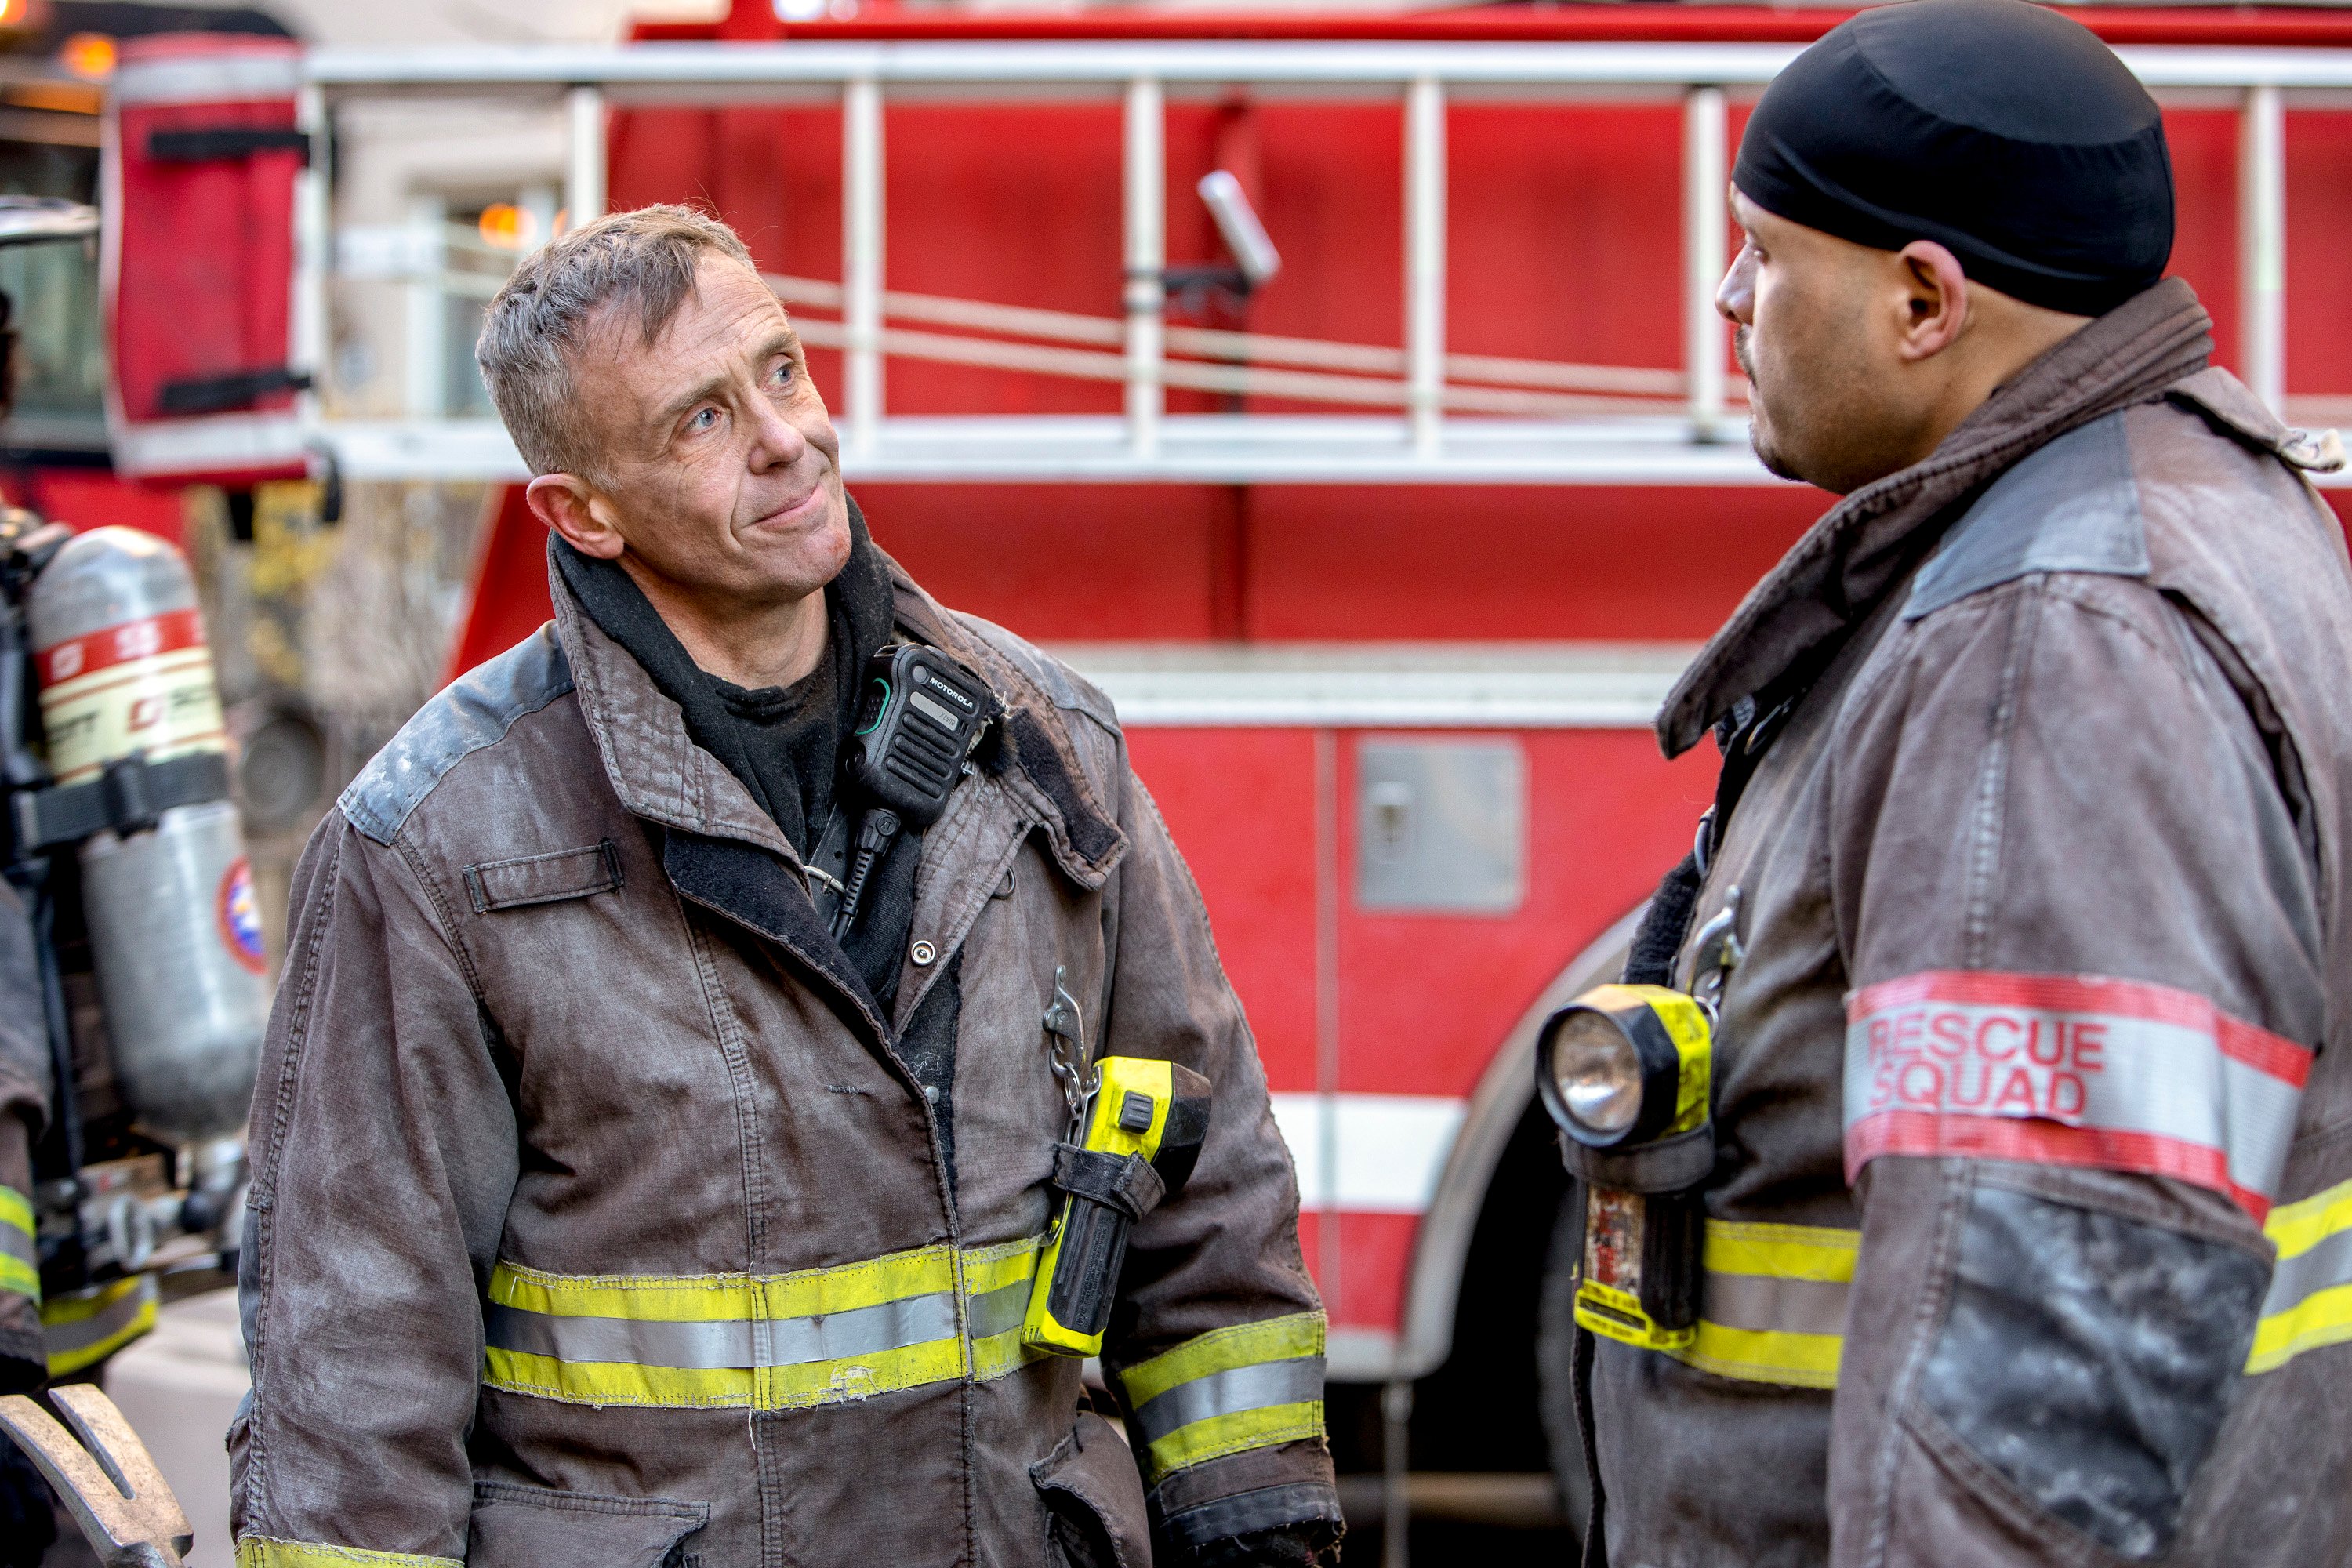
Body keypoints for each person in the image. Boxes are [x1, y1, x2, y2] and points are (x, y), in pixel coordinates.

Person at [227, 205, 1341, 1568]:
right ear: (583, 513)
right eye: (700, 420)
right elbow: (353, 1381)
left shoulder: (1044, 747)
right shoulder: (438, 848)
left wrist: (1257, 1534)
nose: (786, 439)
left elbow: (1212, 1204)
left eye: (782, 370)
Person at [1581, 2, 2352, 1563]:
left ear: (1925, 301)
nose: (1730, 297)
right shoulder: (2203, 498)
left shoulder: (2054, 642)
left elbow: (2038, 1365)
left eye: (1765, 252)